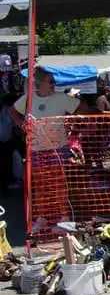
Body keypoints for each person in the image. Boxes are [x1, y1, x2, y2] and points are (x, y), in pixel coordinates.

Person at [8, 67, 80, 228]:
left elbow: (83, 109)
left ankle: (64, 216)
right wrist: (21, 124)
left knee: (58, 183)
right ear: (39, 83)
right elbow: (12, 110)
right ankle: (42, 217)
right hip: (36, 148)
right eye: (50, 82)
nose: (54, 84)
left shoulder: (63, 98)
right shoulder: (28, 98)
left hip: (57, 147)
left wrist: (73, 122)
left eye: (54, 82)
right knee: (40, 184)